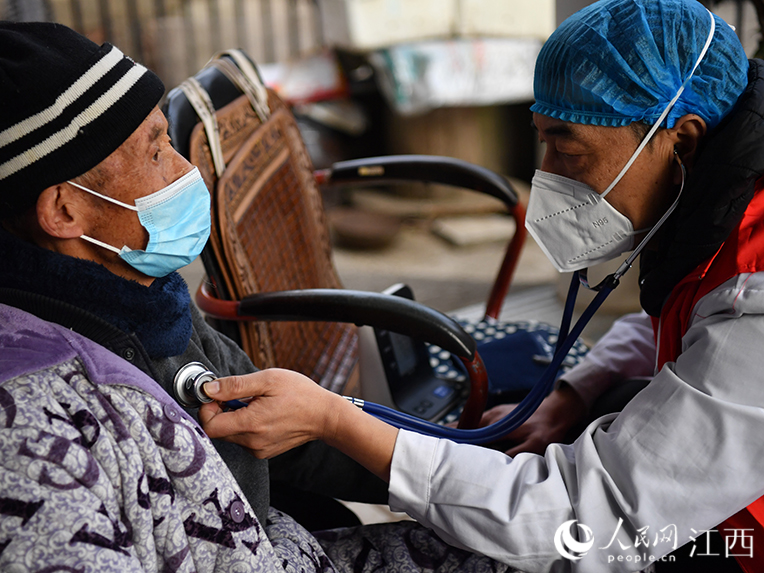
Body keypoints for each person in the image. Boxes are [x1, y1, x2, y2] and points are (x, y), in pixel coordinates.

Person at [0, 21, 520, 573]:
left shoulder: (144, 303)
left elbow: (284, 436)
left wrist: (482, 465)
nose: (184, 171)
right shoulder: (7, 444)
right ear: (65, 210)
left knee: (519, 547)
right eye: (153, 151)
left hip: (279, 549)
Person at [199, 0, 764, 571]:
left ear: (683, 141)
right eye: (542, 143)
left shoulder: (755, 296)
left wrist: (336, 421)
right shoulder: (717, 205)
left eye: (568, 152)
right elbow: (681, 324)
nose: (547, 180)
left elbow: (582, 522)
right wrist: (572, 392)